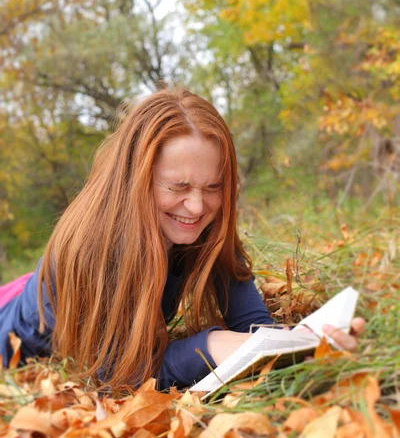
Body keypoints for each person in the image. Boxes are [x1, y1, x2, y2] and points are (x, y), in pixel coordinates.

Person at [0, 88, 364, 390]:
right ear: (136, 180)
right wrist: (211, 345)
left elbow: (252, 325)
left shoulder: (207, 223)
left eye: (213, 186)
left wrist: (304, 341)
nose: (196, 206)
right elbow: (110, 375)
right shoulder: (91, 248)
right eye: (178, 187)